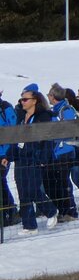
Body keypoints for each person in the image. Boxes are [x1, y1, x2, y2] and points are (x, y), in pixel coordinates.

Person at [2, 85, 58, 234]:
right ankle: (29, 226)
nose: (22, 102)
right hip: (21, 158)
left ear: (35, 100)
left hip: (35, 158)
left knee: (33, 189)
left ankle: (51, 211)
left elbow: (48, 140)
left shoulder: (44, 116)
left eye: (25, 99)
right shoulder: (21, 117)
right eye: (21, 99)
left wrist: (43, 158)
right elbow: (16, 138)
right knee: (22, 192)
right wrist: (8, 156)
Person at [45, 83, 79, 222]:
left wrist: (55, 138)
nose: (48, 96)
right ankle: (64, 209)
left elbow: (69, 130)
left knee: (64, 182)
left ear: (53, 96)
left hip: (65, 150)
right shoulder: (57, 109)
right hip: (58, 151)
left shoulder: (65, 109)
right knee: (57, 182)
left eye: (49, 94)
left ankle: (71, 211)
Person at [0, 89, 17, 227]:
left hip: (3, 153)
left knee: (1, 182)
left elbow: (13, 131)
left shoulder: (5, 108)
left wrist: (6, 153)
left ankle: (10, 211)